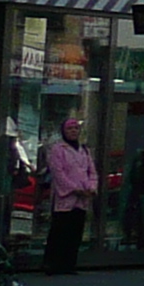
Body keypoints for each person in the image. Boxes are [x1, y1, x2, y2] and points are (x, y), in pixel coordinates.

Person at [41, 117, 99, 275]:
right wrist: (74, 189)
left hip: (82, 198)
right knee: (59, 231)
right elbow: (58, 173)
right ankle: (52, 264)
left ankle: (69, 264)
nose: (73, 132)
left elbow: (92, 172)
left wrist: (91, 188)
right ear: (63, 132)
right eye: (69, 129)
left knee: (75, 232)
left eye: (75, 129)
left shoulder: (84, 150)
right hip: (65, 197)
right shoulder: (57, 149)